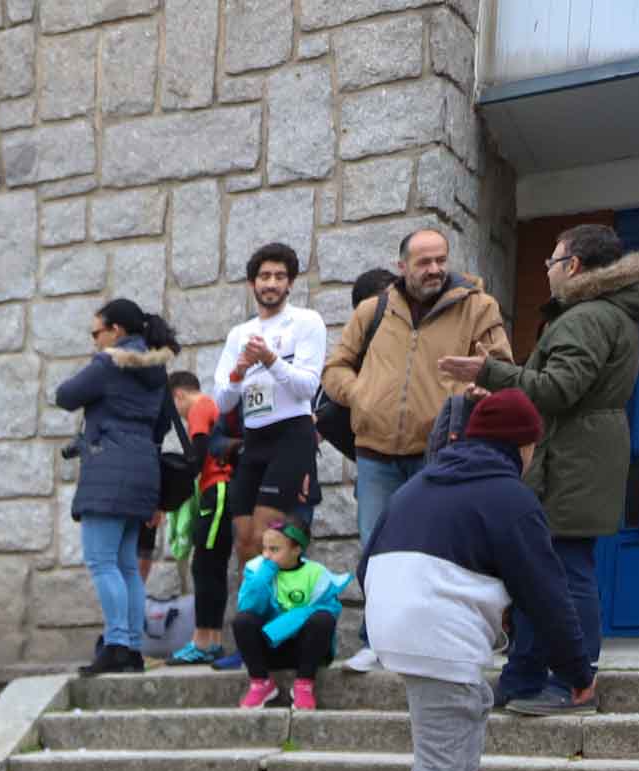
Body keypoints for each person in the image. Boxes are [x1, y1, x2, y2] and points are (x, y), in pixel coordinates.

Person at [360, 389, 579, 771]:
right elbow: (547, 592)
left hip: (393, 621)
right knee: (436, 759)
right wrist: (577, 670)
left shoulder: (419, 484)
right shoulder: (511, 496)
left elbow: (366, 560)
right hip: (436, 630)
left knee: (475, 702)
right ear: (522, 446)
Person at [444, 223, 639, 717]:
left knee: (565, 570)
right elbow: (559, 388)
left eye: (552, 262)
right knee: (541, 570)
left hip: (573, 458)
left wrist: (490, 373)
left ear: (574, 266)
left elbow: (559, 388)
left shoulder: (585, 318)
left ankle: (572, 680)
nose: (548, 271)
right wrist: (503, 390)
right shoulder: (609, 313)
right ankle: (523, 676)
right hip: (579, 452)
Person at [321, 230, 513, 565]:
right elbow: (335, 368)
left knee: (434, 552)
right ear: (402, 266)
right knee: (376, 554)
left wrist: (481, 387)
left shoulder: (478, 308)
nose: (435, 269)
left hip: (441, 452)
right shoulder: (372, 310)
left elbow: (502, 369)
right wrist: (361, 394)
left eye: (441, 259)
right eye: (424, 262)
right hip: (374, 457)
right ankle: (379, 619)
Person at [54, 297, 181, 676]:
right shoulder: (158, 371)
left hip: (108, 469)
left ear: (116, 331)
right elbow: (162, 425)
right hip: (144, 470)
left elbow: (65, 396)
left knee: (101, 561)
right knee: (126, 565)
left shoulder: (108, 362)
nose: (94, 340)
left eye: (97, 332)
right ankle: (131, 648)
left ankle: (115, 644)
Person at [209, 242, 330, 611]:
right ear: (252, 283)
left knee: (269, 540)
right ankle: (252, 632)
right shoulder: (239, 333)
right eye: (265, 276)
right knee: (245, 542)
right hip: (254, 439)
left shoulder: (306, 322)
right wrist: (240, 370)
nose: (272, 283)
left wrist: (270, 359)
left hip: (291, 436)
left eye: (280, 276)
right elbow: (221, 401)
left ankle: (278, 633)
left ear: (290, 283)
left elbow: (307, 387)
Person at [230, 518, 349, 710]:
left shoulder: (316, 573)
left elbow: (330, 610)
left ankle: (304, 684)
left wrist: (291, 621)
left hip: (304, 651)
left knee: (323, 618)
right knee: (243, 620)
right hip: (269, 648)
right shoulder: (257, 568)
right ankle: (261, 684)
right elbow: (249, 606)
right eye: (264, 548)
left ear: (296, 550)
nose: (266, 555)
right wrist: (262, 578)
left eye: (274, 549)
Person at [163, 370, 238, 664]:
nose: (179, 415)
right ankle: (212, 641)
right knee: (212, 568)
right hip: (219, 491)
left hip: (216, 490)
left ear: (178, 395)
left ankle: (203, 642)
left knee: (205, 567)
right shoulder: (211, 406)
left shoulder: (198, 407)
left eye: (174, 407)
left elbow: (198, 452)